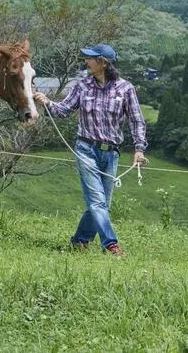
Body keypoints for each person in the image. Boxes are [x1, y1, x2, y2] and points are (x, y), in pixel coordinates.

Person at [33, 43, 148, 257]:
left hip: (111, 153)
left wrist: (139, 149)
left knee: (102, 204)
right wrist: (47, 102)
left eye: (91, 58)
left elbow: (137, 120)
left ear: (103, 63)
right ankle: (110, 245)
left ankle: (80, 241)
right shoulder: (82, 86)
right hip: (86, 149)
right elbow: (65, 110)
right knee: (97, 201)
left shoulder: (125, 89)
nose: (86, 61)